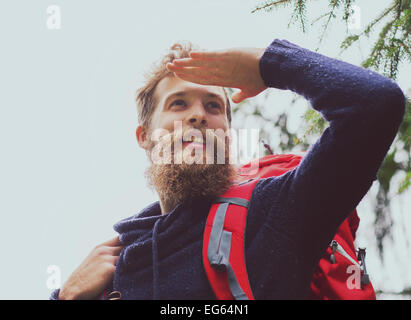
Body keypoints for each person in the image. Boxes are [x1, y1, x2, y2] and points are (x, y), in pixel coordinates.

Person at [51, 38, 405, 300]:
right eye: (178, 103)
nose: (198, 115)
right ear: (144, 136)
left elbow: (375, 103)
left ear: (227, 135)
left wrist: (269, 63)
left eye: (213, 106)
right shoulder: (110, 273)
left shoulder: (276, 211)